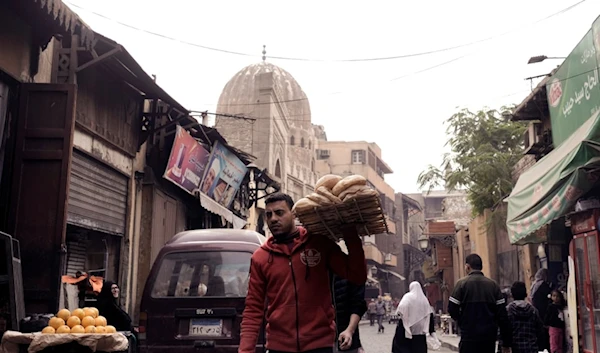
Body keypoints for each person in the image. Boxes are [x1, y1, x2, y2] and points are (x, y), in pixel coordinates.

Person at [239, 193, 367, 353]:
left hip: (319, 345)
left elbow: (357, 275)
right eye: (269, 214)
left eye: (279, 213)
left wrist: (351, 235)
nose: (273, 219)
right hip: (279, 347)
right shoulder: (261, 257)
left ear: (293, 214)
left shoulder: (319, 243)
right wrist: (245, 350)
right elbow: (253, 308)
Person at [448, 254, 512, 353]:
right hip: (488, 337)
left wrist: (462, 321)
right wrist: (506, 343)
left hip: (468, 336)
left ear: (467, 267)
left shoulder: (461, 284)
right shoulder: (493, 285)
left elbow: (452, 309)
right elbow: (502, 316)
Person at [497, 281, 544, 353]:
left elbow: (503, 331)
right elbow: (540, 330)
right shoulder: (533, 311)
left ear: (512, 294)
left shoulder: (508, 311)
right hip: (531, 348)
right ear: (525, 294)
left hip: (514, 349)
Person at [391, 281, 435, 353]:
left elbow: (401, 308)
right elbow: (429, 314)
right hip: (420, 333)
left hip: (406, 331)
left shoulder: (407, 297)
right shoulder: (424, 299)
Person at [331, 274, 367, 353]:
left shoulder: (353, 269)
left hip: (346, 340)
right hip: (321, 340)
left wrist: (350, 330)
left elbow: (358, 304)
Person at [531, 268, 552, 351]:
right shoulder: (542, 285)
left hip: (536, 310)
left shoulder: (535, 284)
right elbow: (549, 294)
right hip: (543, 310)